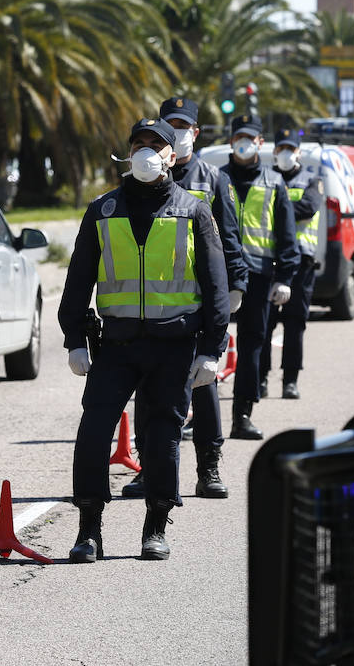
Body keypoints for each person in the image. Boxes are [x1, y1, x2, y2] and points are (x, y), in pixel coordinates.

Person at [58, 117, 230, 562]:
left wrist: (212, 351)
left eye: (157, 145)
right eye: (139, 143)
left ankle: (155, 528)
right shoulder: (102, 210)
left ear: (173, 156)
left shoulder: (194, 211)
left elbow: (215, 288)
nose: (147, 152)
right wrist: (75, 337)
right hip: (114, 346)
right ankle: (88, 531)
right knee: (93, 434)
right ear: (127, 152)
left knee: (161, 438)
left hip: (173, 347)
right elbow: (78, 281)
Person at [124, 96, 248, 501]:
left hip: (197, 304)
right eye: (169, 125)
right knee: (148, 391)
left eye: (183, 125)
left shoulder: (214, 179)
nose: (176, 133)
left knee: (203, 385)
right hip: (155, 307)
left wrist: (235, 286)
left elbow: (229, 239)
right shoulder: (143, 178)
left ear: (195, 132)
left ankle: (208, 468)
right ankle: (148, 468)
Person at [220, 114, 298, 439]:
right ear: (230, 141)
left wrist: (285, 278)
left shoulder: (274, 183)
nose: (244, 143)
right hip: (217, 275)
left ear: (259, 143)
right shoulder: (216, 178)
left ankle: (242, 415)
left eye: (249, 138)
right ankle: (196, 415)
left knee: (252, 346)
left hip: (259, 276)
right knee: (204, 347)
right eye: (239, 137)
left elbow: (287, 235)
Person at [259, 128, 324, 400]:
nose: (285, 153)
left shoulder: (312, 180)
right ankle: (260, 379)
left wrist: (279, 208)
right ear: (274, 151)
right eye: (281, 147)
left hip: (302, 262)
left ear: (298, 152)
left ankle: (290, 380)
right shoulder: (266, 179)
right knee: (264, 323)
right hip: (270, 259)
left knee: (295, 323)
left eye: (290, 148)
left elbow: (309, 207)